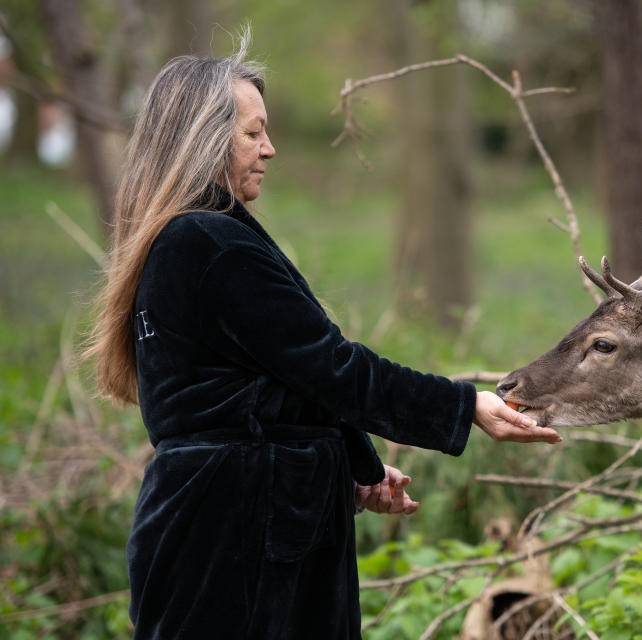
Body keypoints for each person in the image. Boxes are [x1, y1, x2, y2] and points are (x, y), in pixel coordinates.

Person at [85, 33, 561, 640]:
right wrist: (463, 404)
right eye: (253, 133)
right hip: (232, 535)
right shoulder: (207, 243)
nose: (270, 149)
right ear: (204, 138)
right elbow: (332, 367)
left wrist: (355, 470)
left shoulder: (198, 239)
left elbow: (283, 381)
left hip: (229, 520)